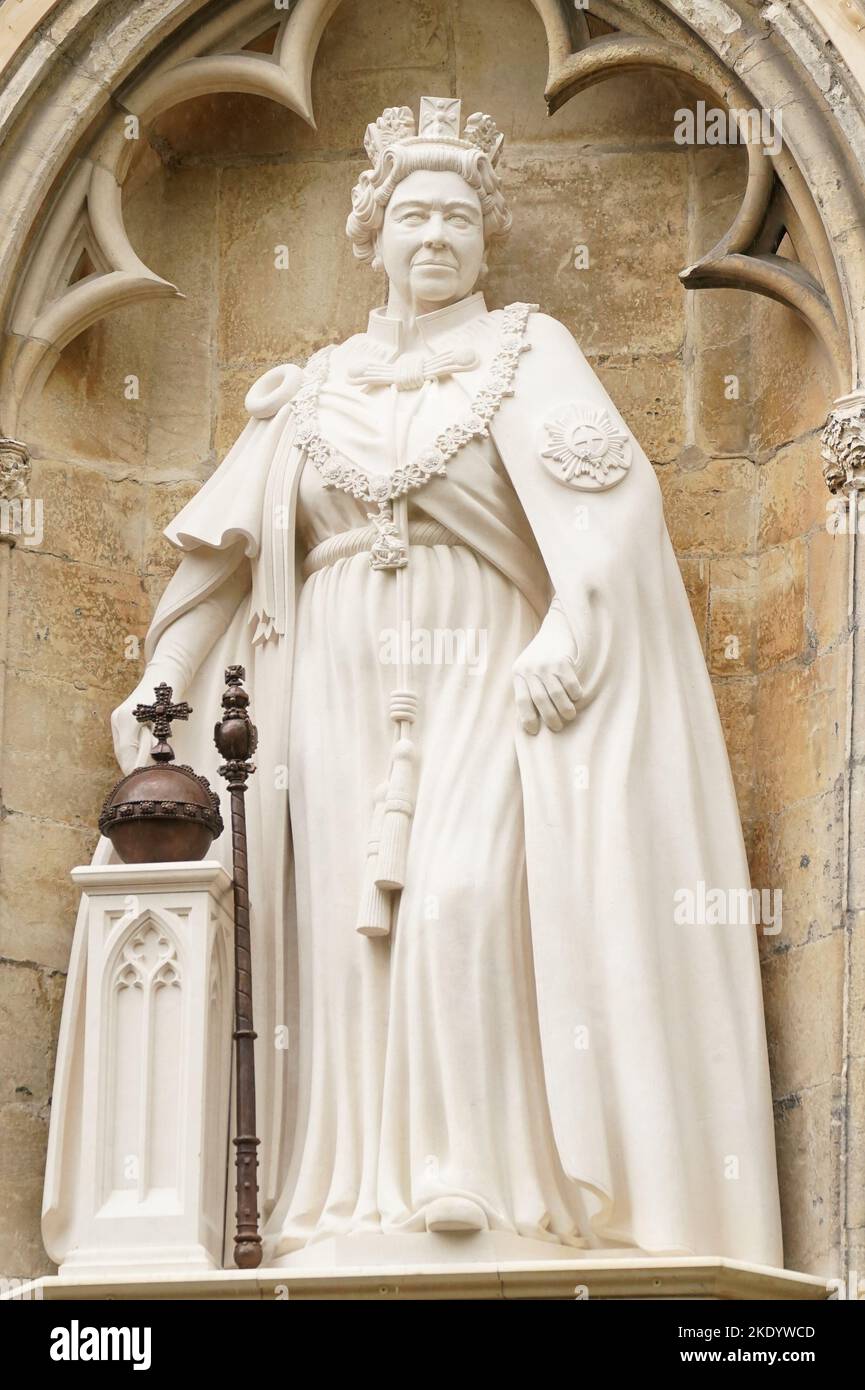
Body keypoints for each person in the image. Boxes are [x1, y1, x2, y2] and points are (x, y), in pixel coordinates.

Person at [44, 97, 784, 1267]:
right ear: (373, 234)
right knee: (341, 931)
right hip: (324, 682)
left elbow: (612, 514)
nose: (434, 235)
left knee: (459, 897)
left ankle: (473, 1171)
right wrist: (168, 682)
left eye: (457, 217)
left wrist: (575, 625)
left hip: (490, 663)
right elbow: (222, 554)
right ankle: (340, 1198)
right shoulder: (311, 388)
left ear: (485, 239)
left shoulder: (527, 351)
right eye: (412, 214)